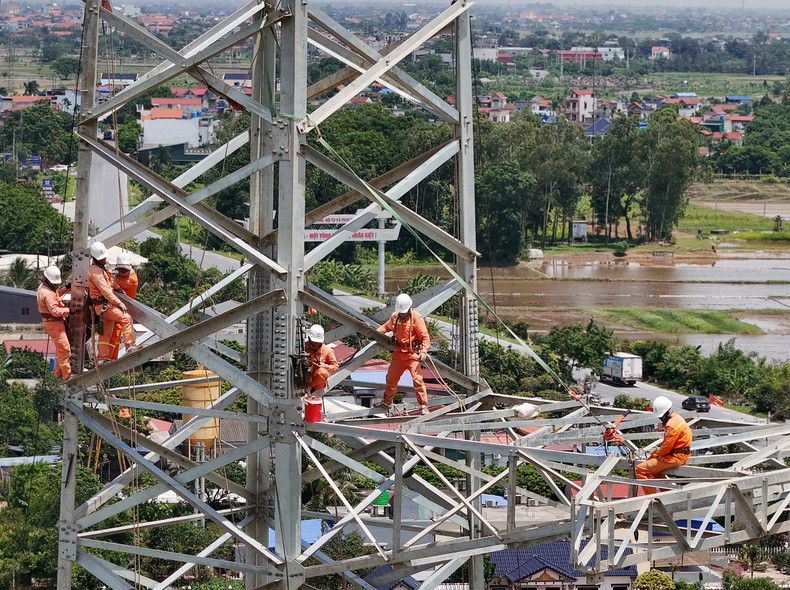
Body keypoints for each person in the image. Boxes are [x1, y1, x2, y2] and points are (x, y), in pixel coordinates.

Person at [375, 293, 431, 416]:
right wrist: (374, 333)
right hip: (398, 354)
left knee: (417, 380)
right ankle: (387, 401)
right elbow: (386, 327)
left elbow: (425, 338)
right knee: (391, 379)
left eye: (403, 312)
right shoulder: (395, 317)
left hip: (412, 355)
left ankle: (423, 405)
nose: (402, 314)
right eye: (401, 312)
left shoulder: (416, 318)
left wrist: (424, 352)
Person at [87, 241, 135, 362]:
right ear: (95, 258)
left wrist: (119, 288)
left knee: (106, 334)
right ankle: (130, 345)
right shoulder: (95, 271)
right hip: (104, 305)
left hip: (104, 305)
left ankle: (102, 358)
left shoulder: (103, 267)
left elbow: (110, 281)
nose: (104, 260)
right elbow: (106, 291)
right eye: (101, 259)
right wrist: (119, 303)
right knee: (126, 318)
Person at [635, 396, 692, 494]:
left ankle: (652, 499)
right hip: (680, 455)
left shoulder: (671, 425)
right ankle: (666, 495)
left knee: (640, 470)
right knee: (656, 471)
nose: (661, 419)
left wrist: (654, 454)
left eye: (661, 417)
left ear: (666, 413)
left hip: (676, 457)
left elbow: (666, 448)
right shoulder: (676, 418)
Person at [37, 266, 71, 380]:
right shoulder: (47, 293)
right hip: (54, 323)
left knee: (60, 348)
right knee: (64, 349)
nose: (56, 285)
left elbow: (55, 296)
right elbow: (55, 311)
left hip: (51, 323)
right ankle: (67, 375)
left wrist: (66, 288)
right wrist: (69, 310)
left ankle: (57, 372)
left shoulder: (44, 287)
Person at [107, 252, 138, 360]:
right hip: (117, 307)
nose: (121, 273)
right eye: (120, 270)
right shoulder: (123, 276)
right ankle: (110, 357)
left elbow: (113, 285)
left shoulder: (131, 279)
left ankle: (110, 357)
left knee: (115, 332)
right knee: (113, 333)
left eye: (124, 271)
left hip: (123, 309)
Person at [303, 324, 338, 396]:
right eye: (313, 343)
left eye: (318, 344)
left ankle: (308, 388)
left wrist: (326, 366)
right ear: (309, 339)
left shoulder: (327, 351)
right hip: (304, 377)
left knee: (323, 372)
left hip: (317, 381)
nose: (315, 346)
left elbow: (335, 367)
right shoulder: (302, 347)